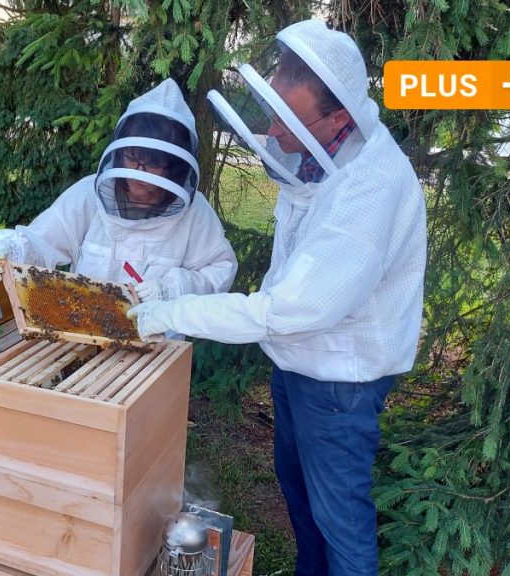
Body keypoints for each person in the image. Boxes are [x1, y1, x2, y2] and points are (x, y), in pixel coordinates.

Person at [127, 20, 427, 575]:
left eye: (288, 120)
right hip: (302, 367)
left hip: (340, 380)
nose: (273, 129)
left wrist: (171, 311)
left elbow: (285, 309)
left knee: (341, 524)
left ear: (338, 116)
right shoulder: (327, 149)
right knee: (305, 507)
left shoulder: (369, 192)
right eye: (274, 108)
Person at [0, 78, 237, 308]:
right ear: (119, 151)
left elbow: (219, 270)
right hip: (82, 336)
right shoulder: (87, 196)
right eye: (132, 157)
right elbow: (42, 240)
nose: (139, 171)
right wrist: (10, 251)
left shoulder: (195, 215)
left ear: (175, 169)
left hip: (159, 349)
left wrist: (175, 287)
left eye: (154, 163)